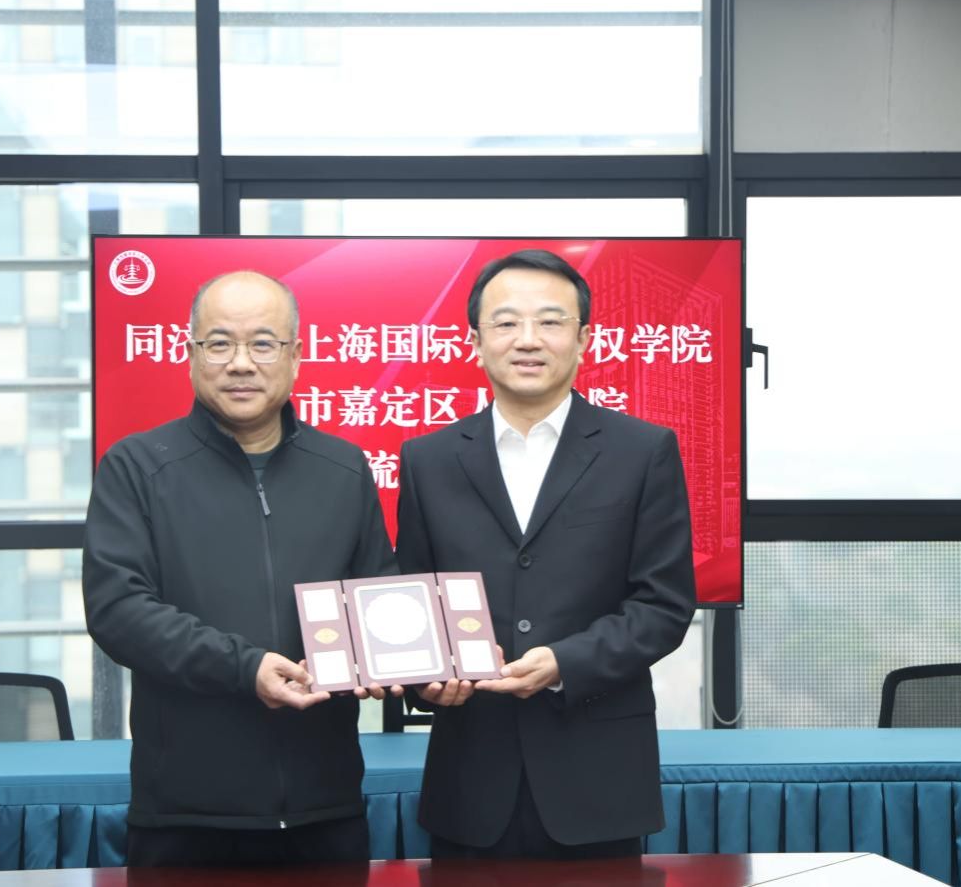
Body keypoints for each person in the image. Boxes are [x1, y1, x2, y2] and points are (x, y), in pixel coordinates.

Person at [83, 270, 396, 867]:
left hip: (325, 809)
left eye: (263, 344)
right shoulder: (137, 466)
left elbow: (377, 596)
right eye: (220, 343)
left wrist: (408, 661)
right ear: (191, 355)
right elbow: (118, 611)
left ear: (295, 357)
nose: (241, 363)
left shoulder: (343, 468)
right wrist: (244, 667)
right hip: (185, 814)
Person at [396, 249, 696, 859]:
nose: (527, 339)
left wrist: (564, 662)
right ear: (476, 341)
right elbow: (412, 600)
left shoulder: (642, 452)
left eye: (550, 322)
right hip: (470, 776)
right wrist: (426, 678)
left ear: (583, 339)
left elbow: (663, 605)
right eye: (506, 322)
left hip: (597, 776)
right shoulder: (428, 459)